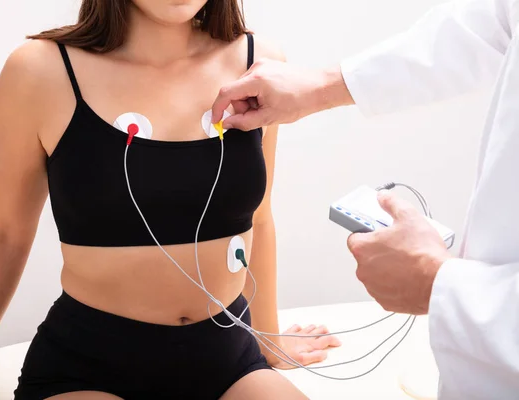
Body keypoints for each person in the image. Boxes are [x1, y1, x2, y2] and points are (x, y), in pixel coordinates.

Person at [0, 1, 343, 399]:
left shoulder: (258, 63)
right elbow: (5, 234)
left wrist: (268, 341)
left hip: (228, 356)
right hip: (88, 365)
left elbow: (259, 217)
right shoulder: (41, 71)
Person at [211, 0, 519, 398]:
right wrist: (325, 85)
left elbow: (258, 215)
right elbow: (488, 24)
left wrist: (438, 283)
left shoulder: (253, 55)